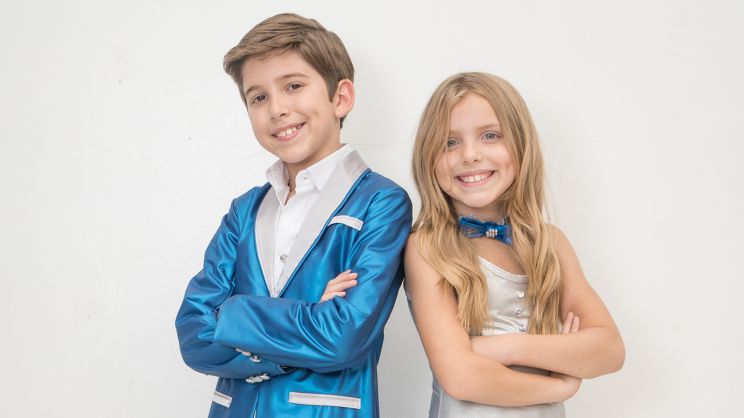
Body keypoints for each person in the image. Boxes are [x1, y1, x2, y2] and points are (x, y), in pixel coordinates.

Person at [175, 13, 412, 418]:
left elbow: (343, 337)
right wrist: (312, 315)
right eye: (258, 97)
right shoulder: (244, 211)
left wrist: (233, 312)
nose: (277, 109)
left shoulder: (381, 203)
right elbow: (194, 334)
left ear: (341, 97)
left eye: (293, 86)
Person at [404, 72, 625, 417]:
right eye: (450, 143)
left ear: (521, 145)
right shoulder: (427, 249)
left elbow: (609, 350)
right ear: (428, 158)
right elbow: (460, 377)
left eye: (490, 136)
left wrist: (507, 347)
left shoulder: (550, 244)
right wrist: (559, 385)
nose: (470, 155)